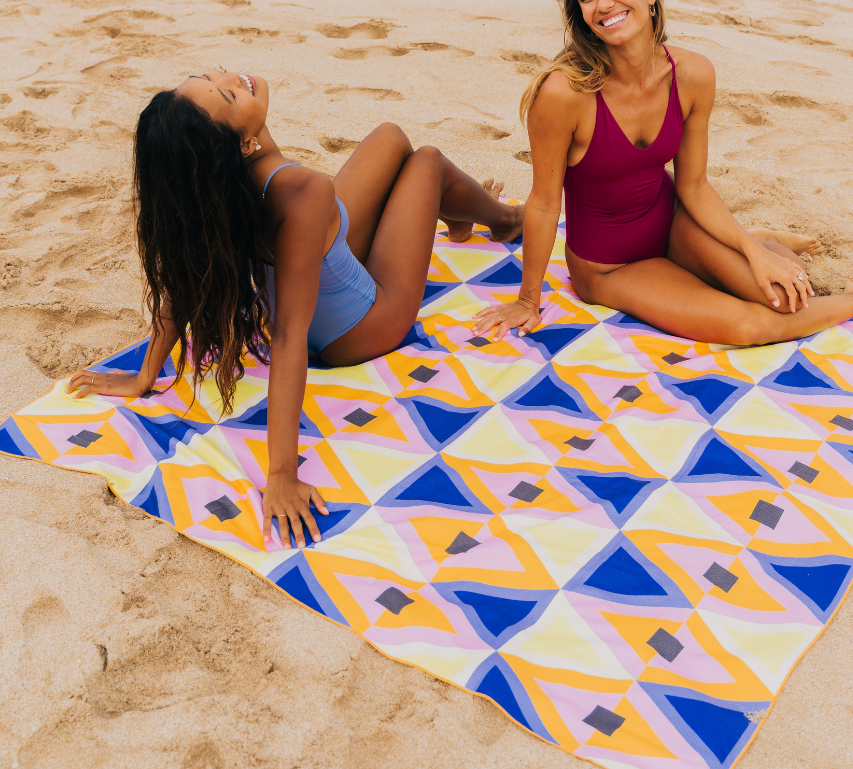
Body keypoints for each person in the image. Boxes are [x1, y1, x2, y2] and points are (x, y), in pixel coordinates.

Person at [65, 70, 523, 551]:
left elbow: (183, 281)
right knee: (426, 161)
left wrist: (145, 376)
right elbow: (288, 336)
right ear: (244, 144)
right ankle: (506, 219)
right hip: (363, 326)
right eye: (228, 92)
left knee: (391, 138)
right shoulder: (304, 191)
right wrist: (281, 473)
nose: (233, 76)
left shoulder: (220, 180)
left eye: (212, 75)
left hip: (322, 276)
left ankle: (456, 213)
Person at [474, 0, 853, 345]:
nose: (602, 3)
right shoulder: (564, 93)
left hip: (673, 223)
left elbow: (694, 185)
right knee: (751, 325)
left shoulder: (693, 74)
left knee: (786, 290)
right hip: (610, 266)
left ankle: (763, 241)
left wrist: (751, 252)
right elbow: (543, 203)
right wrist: (527, 300)